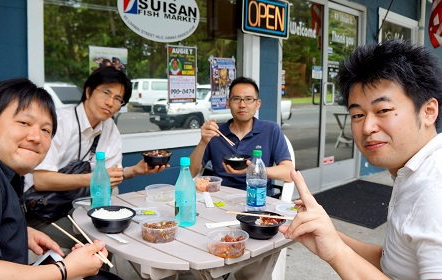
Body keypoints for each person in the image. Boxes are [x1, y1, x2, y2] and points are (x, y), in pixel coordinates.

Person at [279, 40, 442, 279]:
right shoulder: (413, 171)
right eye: (357, 114)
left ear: (428, 112)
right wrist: (329, 234)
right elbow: (392, 263)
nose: (367, 127)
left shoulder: (434, 190)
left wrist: (336, 251)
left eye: (383, 110)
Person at [0, 78, 108, 279]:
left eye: (45, 130)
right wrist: (65, 270)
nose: (36, 137)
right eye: (24, 123)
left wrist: (19, 232)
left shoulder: (2, 172)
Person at [24, 66, 168, 244]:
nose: (110, 103)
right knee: (102, 238)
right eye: (106, 93)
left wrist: (135, 170)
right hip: (42, 214)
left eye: (118, 99)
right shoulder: (58, 122)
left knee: (114, 227)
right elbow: (41, 181)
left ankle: (101, 271)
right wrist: (92, 179)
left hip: (77, 208)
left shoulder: (109, 129)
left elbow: (108, 177)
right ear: (88, 91)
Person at [189, 76, 293, 194]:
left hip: (257, 200)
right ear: (228, 103)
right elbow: (189, 173)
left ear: (258, 104)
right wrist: (203, 141)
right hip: (219, 198)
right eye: (236, 99)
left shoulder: (271, 130)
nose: (242, 105)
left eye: (248, 99)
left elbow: (289, 172)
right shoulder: (216, 132)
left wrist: (254, 170)